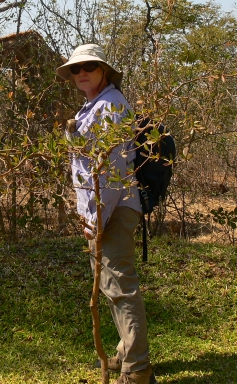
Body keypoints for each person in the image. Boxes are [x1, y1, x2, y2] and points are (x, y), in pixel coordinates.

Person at [57, 44, 155, 384]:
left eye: (89, 66)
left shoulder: (111, 105)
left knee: (120, 288)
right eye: (76, 68)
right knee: (111, 285)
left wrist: (96, 219)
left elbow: (111, 170)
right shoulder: (94, 106)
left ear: (104, 71)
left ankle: (138, 370)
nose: (81, 72)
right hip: (104, 208)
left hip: (112, 208)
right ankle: (127, 353)